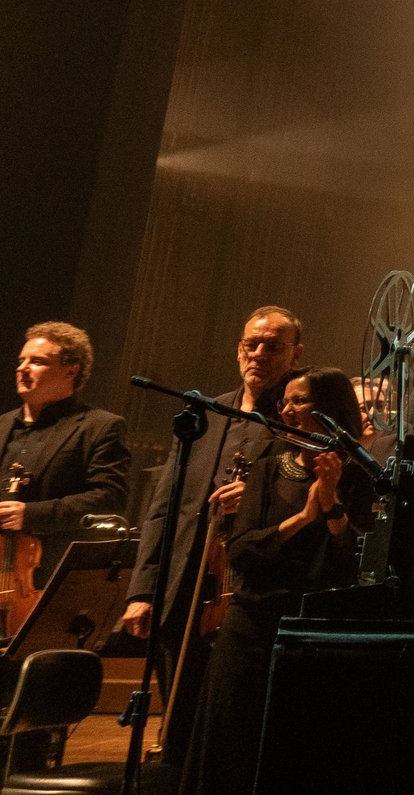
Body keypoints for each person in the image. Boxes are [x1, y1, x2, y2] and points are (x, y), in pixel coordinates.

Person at [0, 322, 130, 795]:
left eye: (37, 361)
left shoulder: (98, 426)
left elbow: (109, 497)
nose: (23, 367)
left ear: (71, 370)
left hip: (38, 597)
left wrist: (33, 514)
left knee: (29, 733)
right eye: (22, 359)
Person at [123, 304, 302, 765]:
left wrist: (259, 496)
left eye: (272, 347)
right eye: (251, 345)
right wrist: (143, 590)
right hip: (184, 591)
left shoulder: (298, 419)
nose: (259, 355)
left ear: (295, 355)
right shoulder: (203, 415)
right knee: (178, 727)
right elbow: (164, 507)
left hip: (251, 598)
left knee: (237, 734)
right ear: (238, 349)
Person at [180, 367, 371, 795]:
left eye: (299, 401)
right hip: (250, 628)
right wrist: (302, 518)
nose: (286, 410)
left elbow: (355, 564)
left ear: (330, 409)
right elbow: (242, 551)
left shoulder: (361, 475)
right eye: (285, 401)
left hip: (314, 634)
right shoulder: (268, 469)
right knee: (231, 749)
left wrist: (332, 506)